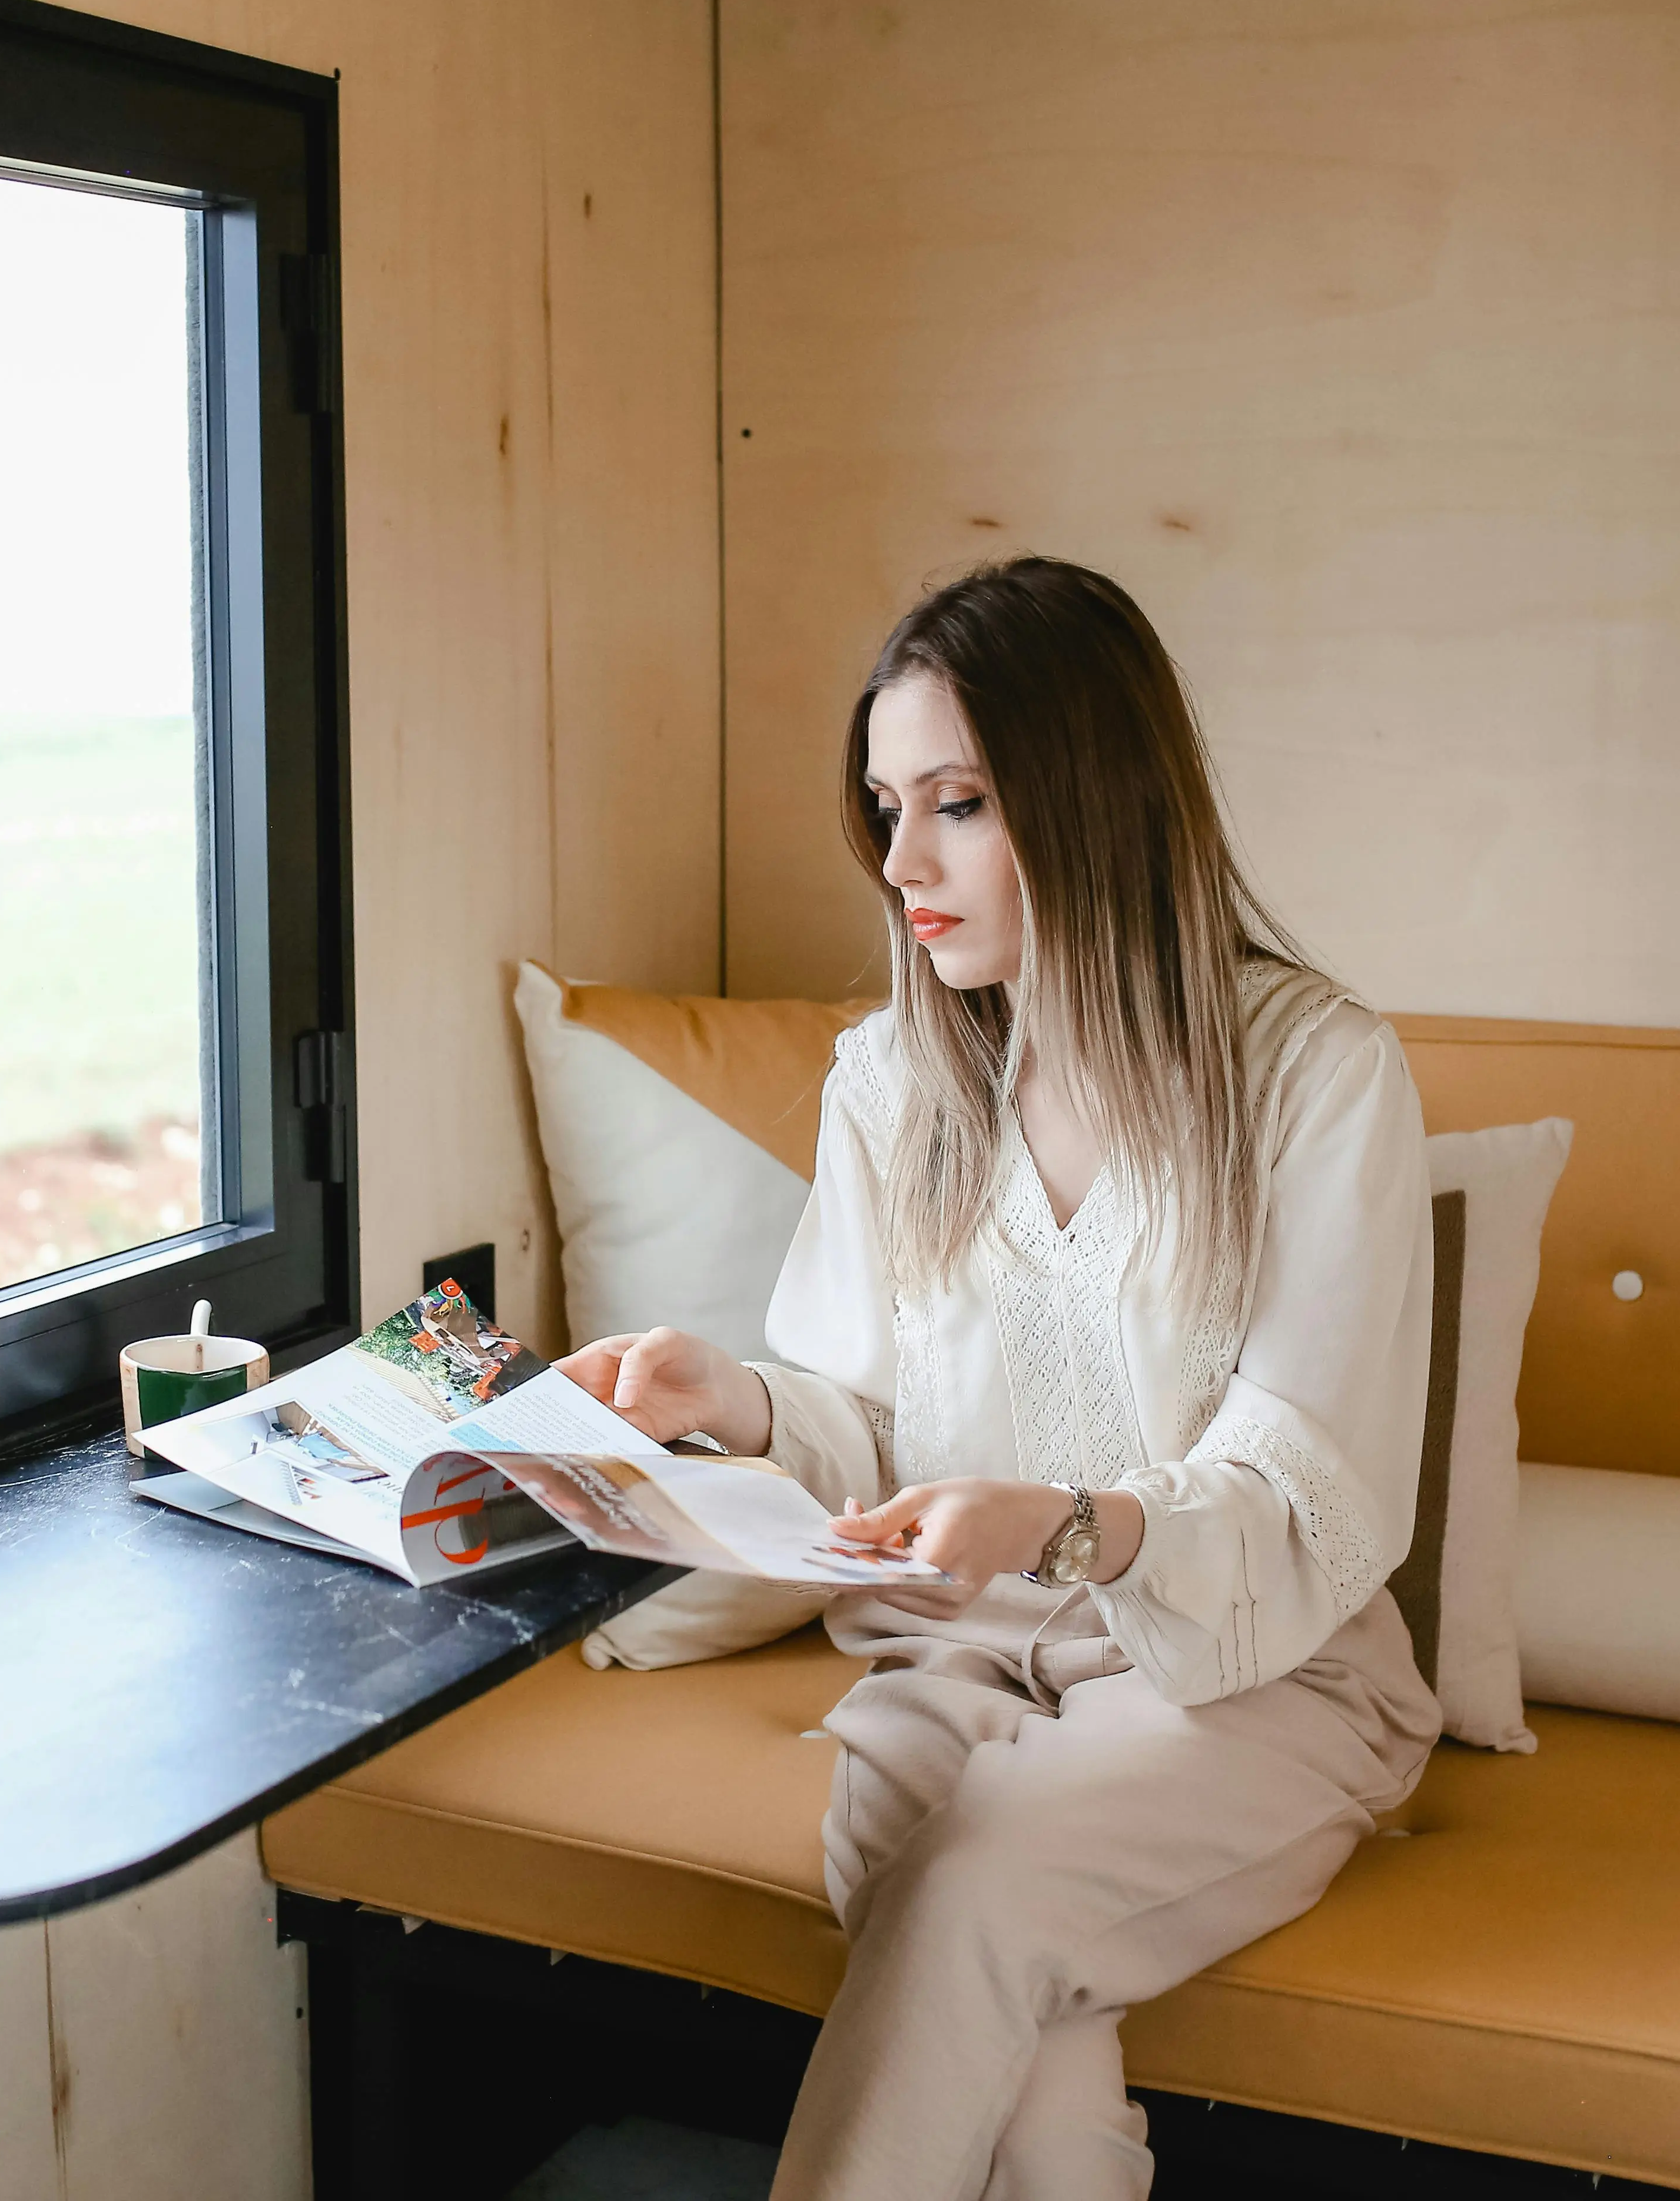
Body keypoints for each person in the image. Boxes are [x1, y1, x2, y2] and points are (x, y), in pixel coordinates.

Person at [556, 559, 1441, 2201]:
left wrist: (1069, 1525)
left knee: (966, 1891)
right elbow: (865, 1437)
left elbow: (1306, 1484)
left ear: (1093, 792)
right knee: (1025, 2076)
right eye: (888, 810)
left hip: (1248, 1692)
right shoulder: (894, 1084)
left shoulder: (1317, 1074)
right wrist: (734, 1405)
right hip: (943, 1670)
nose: (901, 866)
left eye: (955, 804)